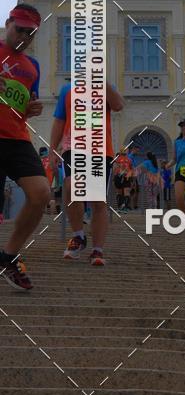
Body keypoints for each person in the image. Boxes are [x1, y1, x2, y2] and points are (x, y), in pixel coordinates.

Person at [0, 4, 50, 290]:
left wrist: (34, 107)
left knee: (41, 194)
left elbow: (29, 100)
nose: (24, 37)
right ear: (8, 22)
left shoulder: (34, 66)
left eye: (30, 34)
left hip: (17, 138)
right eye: (20, 29)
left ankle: (8, 256)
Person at [50, 81, 125, 267]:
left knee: (98, 200)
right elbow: (60, 120)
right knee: (70, 185)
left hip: (101, 149)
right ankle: (78, 236)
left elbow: (118, 106)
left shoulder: (108, 87)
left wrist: (103, 82)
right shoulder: (67, 89)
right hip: (73, 147)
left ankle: (97, 249)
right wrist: (52, 150)